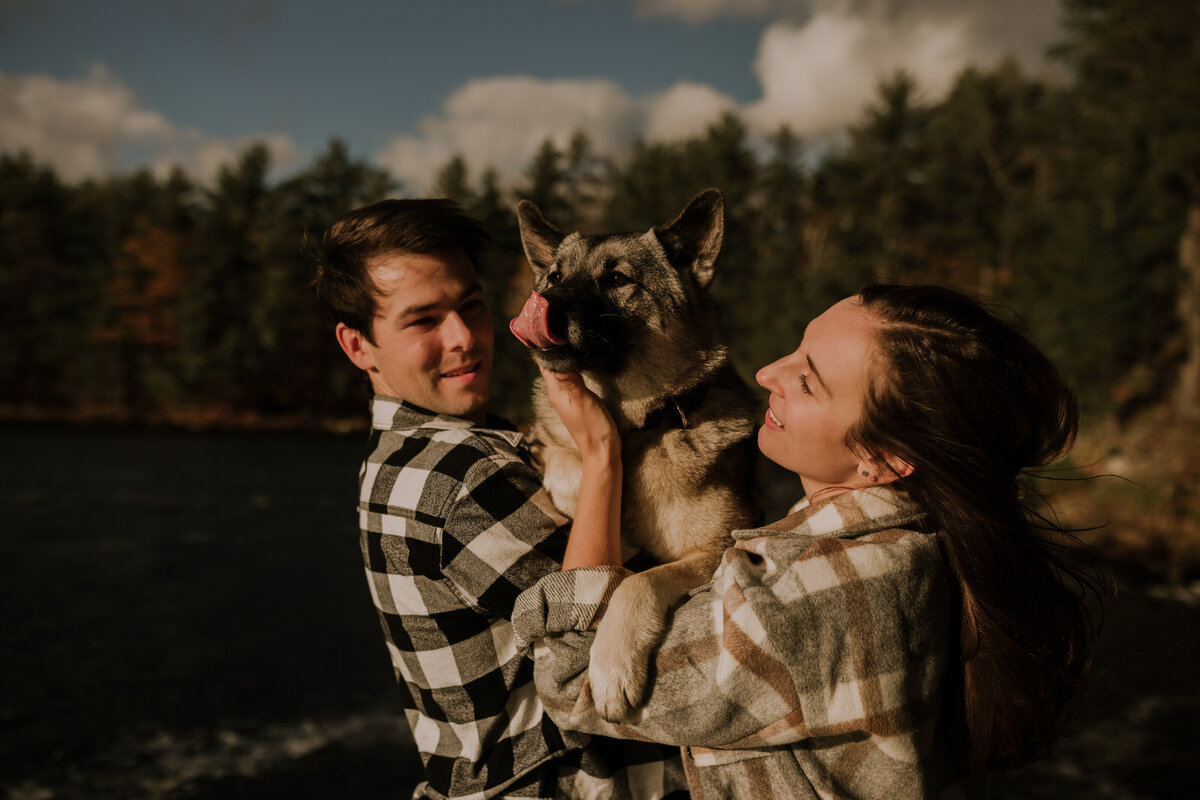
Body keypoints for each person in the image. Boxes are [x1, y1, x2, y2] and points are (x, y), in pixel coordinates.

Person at [511, 284, 1102, 799]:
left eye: (808, 382)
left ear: (883, 458)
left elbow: (572, 681)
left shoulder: (815, 595)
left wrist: (599, 454)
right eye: (794, 350)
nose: (767, 372)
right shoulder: (920, 542)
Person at [310, 199, 689, 799]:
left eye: (470, 306)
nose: (463, 338)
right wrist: (600, 450)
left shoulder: (399, 454)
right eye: (422, 321)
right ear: (358, 346)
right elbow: (588, 636)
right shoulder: (458, 475)